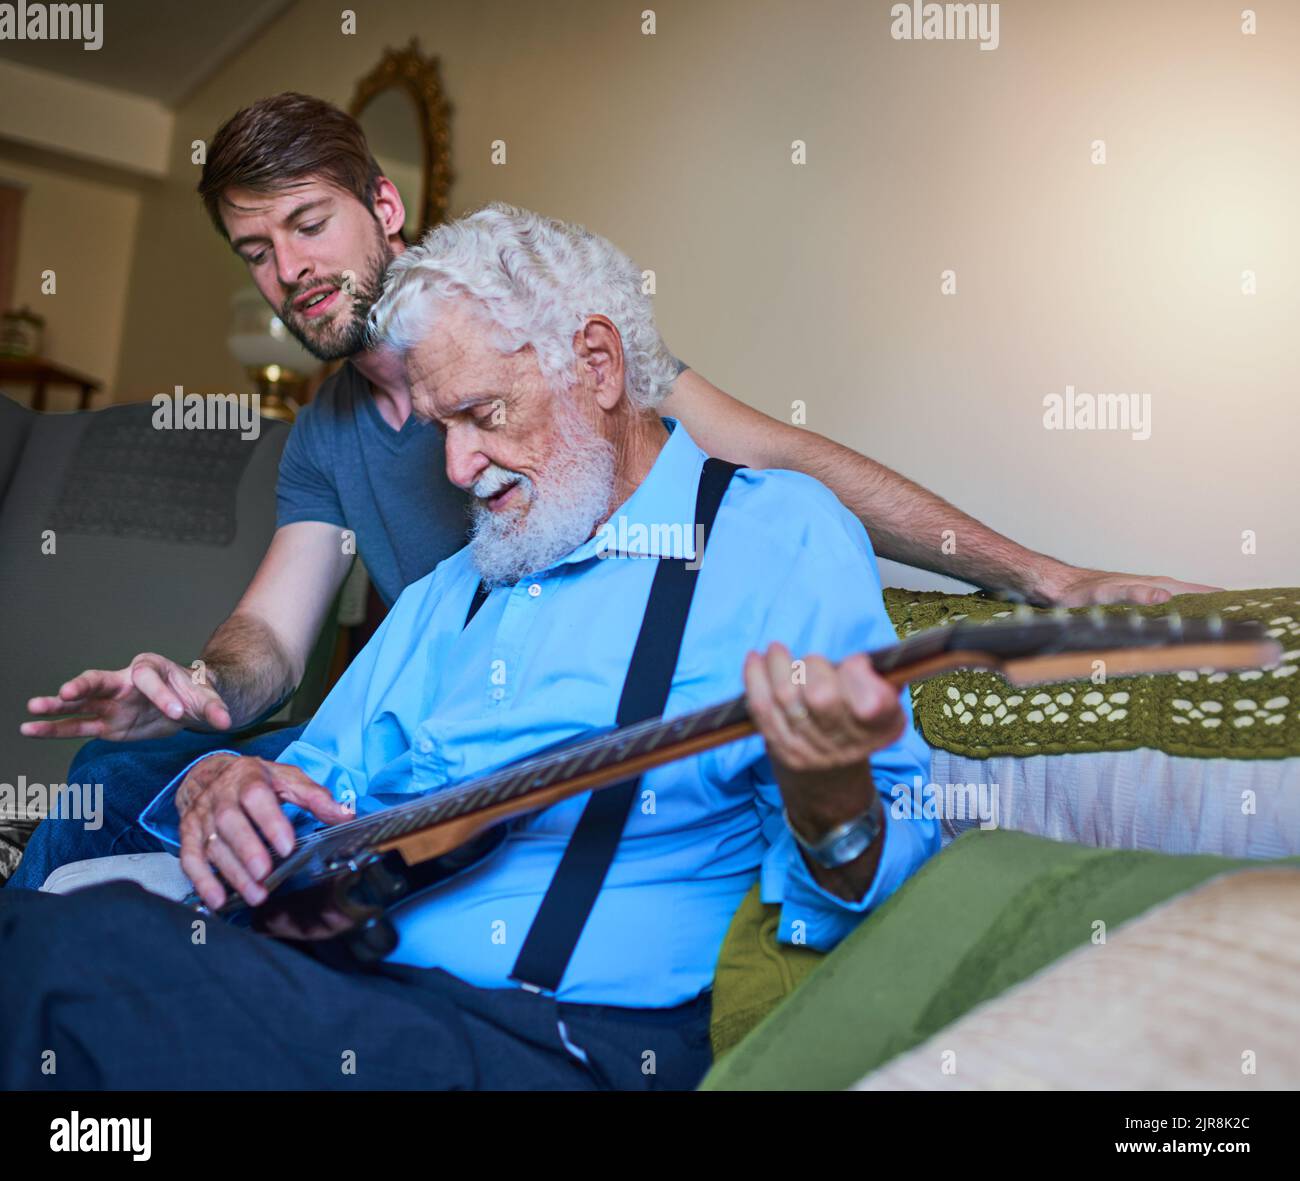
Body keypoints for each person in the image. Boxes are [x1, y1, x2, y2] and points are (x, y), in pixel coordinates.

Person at [13, 92, 1213, 890]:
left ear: (383, 205)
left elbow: (780, 460)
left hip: (569, 721)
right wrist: (196, 689)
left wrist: (1040, 575)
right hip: (415, 733)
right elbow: (272, 640)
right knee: (119, 777)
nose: (291, 272)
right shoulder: (323, 432)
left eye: (308, 226)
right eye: (257, 251)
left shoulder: (526, 324)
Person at [0, 206, 937, 1090]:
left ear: (598, 364)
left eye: (483, 414)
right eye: (443, 423)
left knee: (64, 960)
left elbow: (874, 878)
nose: (455, 466)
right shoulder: (456, 585)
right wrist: (225, 784)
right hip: (328, 977)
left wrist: (831, 798)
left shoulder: (778, 539)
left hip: (547, 1037)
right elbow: (317, 778)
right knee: (49, 934)